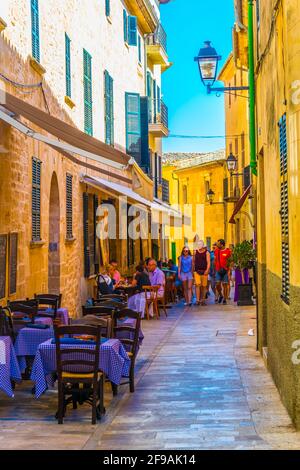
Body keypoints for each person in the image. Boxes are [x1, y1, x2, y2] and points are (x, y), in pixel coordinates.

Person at [214, 239, 232, 305]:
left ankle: (224, 298)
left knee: (225, 285)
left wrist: (229, 270)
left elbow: (230, 261)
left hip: (225, 270)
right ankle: (221, 295)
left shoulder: (228, 251)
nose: (217, 245)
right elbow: (215, 260)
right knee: (217, 284)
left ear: (222, 245)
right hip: (218, 270)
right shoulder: (216, 251)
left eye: (218, 244)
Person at [193, 240, 211, 306]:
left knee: (204, 286)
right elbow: (193, 262)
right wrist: (193, 270)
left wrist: (207, 270)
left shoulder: (207, 253)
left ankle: (203, 300)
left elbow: (208, 262)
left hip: (204, 271)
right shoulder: (195, 252)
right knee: (197, 285)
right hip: (197, 271)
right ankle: (197, 300)